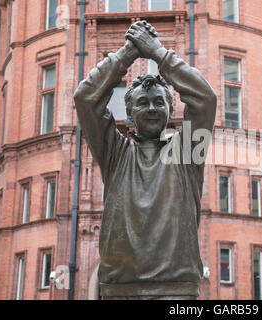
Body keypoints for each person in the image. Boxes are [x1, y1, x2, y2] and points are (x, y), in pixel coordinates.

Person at [74, 20, 217, 300]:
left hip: (176, 292)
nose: (151, 108)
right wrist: (128, 53)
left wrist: (157, 52)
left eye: (159, 102)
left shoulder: (187, 153)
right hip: (119, 291)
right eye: (142, 103)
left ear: (171, 109)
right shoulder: (114, 153)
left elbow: (205, 98)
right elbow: (85, 98)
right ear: (128, 113)